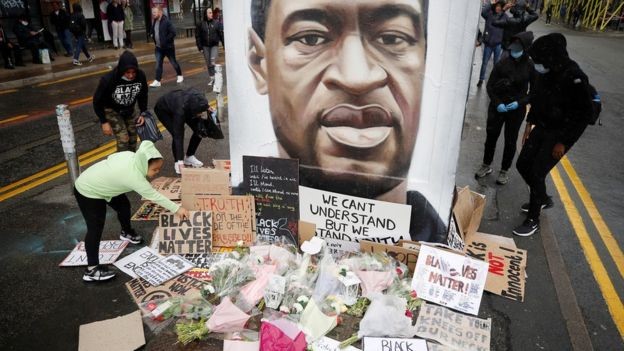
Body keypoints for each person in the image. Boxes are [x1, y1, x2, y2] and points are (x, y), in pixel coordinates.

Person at [248, 0, 446, 242]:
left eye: (393, 38)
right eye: (310, 38)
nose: (357, 78)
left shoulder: (445, 253)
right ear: (260, 65)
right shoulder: (239, 226)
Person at [74, 140, 190, 281]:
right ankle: (91, 270)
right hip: (88, 190)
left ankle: (126, 232)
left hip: (107, 184)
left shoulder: (131, 156)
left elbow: (112, 158)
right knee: (95, 228)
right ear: (143, 164)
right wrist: (177, 208)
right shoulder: (134, 177)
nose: (157, 172)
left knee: (124, 206)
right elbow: (154, 196)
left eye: (159, 169)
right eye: (154, 170)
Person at [513, 33, 593, 236]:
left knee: (537, 172)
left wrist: (563, 143)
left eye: (539, 60)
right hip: (542, 125)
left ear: (551, 58)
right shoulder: (546, 72)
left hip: (560, 132)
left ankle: (533, 219)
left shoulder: (574, 77)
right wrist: (529, 124)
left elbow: (583, 115)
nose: (536, 64)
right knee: (523, 164)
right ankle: (542, 198)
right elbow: (539, 99)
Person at [476, 31, 534, 185]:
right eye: (512, 49)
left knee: (510, 141)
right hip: (498, 107)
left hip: (516, 109)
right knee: (491, 137)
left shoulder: (530, 67)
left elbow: (533, 92)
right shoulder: (502, 63)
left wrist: (520, 103)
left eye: (517, 49)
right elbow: (490, 86)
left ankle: (504, 170)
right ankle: (486, 165)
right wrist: (497, 103)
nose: (513, 52)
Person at [93, 50, 149, 152]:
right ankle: (121, 164)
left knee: (133, 139)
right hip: (112, 110)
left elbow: (143, 95)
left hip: (129, 109)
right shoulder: (108, 79)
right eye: (127, 72)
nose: (131, 76)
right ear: (121, 70)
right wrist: (104, 121)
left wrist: (143, 112)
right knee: (124, 139)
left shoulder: (140, 76)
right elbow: (97, 101)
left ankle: (131, 162)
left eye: (133, 72)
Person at [154, 88, 213, 174]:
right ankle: (177, 162)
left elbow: (199, 100)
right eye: (199, 112)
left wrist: (206, 107)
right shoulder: (180, 111)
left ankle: (189, 156)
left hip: (185, 106)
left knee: (199, 129)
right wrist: (180, 162)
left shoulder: (198, 97)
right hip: (163, 110)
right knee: (177, 133)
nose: (200, 114)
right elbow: (178, 135)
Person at [149, 6, 183, 87]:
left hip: (168, 48)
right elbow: (153, 29)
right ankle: (157, 80)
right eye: (152, 12)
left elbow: (173, 32)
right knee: (158, 64)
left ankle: (180, 75)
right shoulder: (154, 21)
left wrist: (166, 41)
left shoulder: (167, 21)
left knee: (173, 62)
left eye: (154, 12)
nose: (153, 14)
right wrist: (151, 34)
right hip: (158, 47)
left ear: (160, 12)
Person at [477, 1, 505, 88]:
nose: (498, 8)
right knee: (484, 63)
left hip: (498, 44)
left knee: (496, 64)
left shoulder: (504, 16)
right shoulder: (489, 14)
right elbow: (483, 12)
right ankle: (481, 79)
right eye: (497, 6)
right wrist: (491, 3)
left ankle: (494, 81)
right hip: (488, 44)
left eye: (500, 6)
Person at [195, 7, 224, 86]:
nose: (211, 14)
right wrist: (200, 47)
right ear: (206, 14)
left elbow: (221, 35)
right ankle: (212, 79)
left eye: (211, 12)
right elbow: (198, 36)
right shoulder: (200, 24)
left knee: (212, 62)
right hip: (205, 46)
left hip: (214, 45)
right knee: (208, 64)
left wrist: (224, 45)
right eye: (209, 13)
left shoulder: (216, 23)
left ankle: (216, 78)